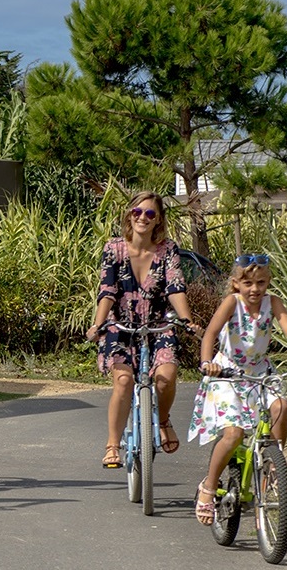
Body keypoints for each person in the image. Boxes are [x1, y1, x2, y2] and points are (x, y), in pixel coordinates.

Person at [188, 253, 287, 525]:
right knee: (233, 434)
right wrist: (207, 362)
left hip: (260, 370)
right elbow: (211, 333)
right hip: (228, 372)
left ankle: (272, 471)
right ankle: (208, 487)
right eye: (248, 283)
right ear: (236, 284)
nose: (255, 289)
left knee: (281, 407)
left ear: (268, 282)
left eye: (261, 282)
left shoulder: (273, 303)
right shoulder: (231, 304)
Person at [85, 191, 199, 469]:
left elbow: (175, 287)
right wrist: (97, 324)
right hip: (120, 326)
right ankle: (113, 444)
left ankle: (161, 420)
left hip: (157, 326)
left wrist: (186, 320)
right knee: (123, 381)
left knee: (166, 376)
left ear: (158, 219)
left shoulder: (168, 249)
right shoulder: (114, 248)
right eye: (137, 212)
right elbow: (108, 290)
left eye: (150, 213)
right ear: (129, 215)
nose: (143, 218)